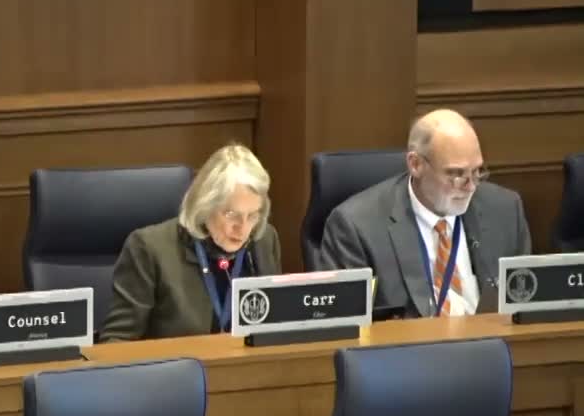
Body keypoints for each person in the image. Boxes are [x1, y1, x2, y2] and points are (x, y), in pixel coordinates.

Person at [320, 109, 531, 318]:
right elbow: (346, 323)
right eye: (456, 174)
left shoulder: (504, 210)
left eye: (476, 172)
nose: (470, 187)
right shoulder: (356, 226)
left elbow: (524, 305)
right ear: (416, 164)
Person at [101, 143, 282, 341]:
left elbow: (276, 328)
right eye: (231, 214)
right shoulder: (149, 249)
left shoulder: (264, 240)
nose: (243, 228)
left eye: (252, 215)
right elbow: (116, 343)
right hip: (177, 361)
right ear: (205, 205)